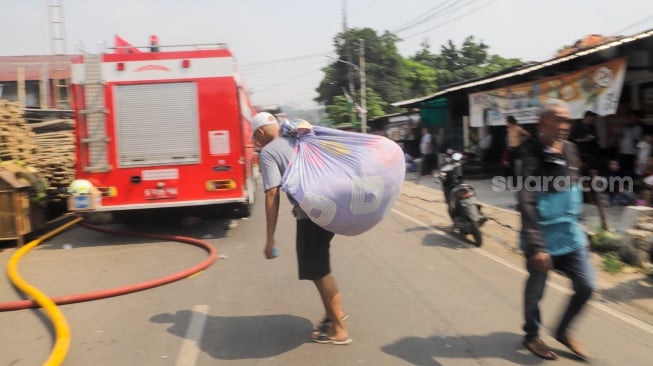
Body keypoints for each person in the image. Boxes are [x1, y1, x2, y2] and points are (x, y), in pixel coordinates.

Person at [251, 112, 352, 345]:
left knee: (318, 270)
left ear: (260, 132)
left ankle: (339, 328)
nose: (256, 143)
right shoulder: (297, 137)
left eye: (255, 138)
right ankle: (331, 314)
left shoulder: (268, 152)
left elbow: (272, 194)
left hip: (312, 214)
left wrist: (270, 239)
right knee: (319, 264)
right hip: (332, 208)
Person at [518, 99, 595, 361]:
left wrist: (582, 223)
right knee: (536, 290)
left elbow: (574, 186)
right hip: (542, 235)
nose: (564, 126)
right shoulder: (529, 153)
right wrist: (537, 246)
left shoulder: (571, 149)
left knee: (586, 286)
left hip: (571, 234)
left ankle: (562, 331)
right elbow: (526, 199)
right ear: (542, 123)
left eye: (567, 121)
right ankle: (532, 335)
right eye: (557, 120)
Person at [618, 110, 642, 176]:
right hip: (623, 152)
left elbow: (637, 143)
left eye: (634, 117)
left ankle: (630, 183)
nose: (632, 119)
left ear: (636, 119)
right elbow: (621, 138)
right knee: (623, 169)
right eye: (630, 117)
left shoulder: (638, 128)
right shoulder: (625, 127)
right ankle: (625, 183)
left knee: (631, 170)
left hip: (632, 153)